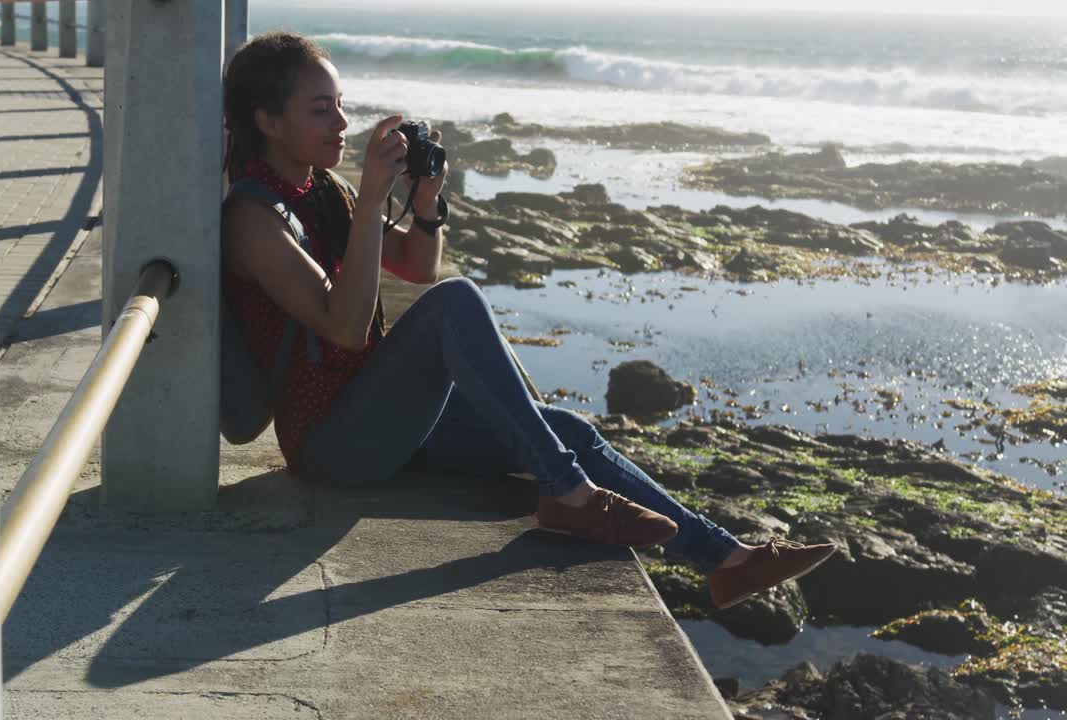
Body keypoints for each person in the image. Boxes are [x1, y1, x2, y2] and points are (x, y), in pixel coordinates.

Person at [221, 31, 835, 610]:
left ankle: (726, 560)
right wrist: (375, 197)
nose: (343, 124)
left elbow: (415, 265)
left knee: (564, 426)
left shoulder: (323, 189)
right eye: (321, 110)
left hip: (381, 412)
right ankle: (567, 495)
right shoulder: (254, 220)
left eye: (342, 105)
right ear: (268, 121)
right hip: (333, 443)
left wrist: (427, 200)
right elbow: (346, 328)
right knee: (459, 304)